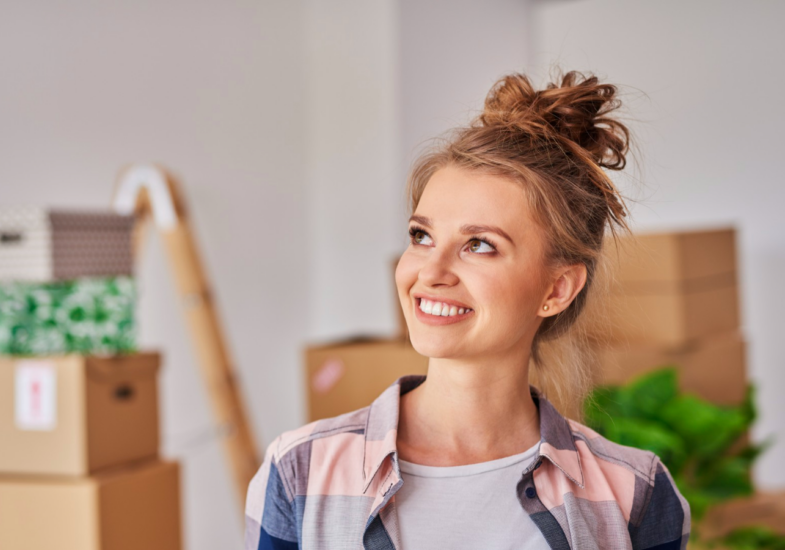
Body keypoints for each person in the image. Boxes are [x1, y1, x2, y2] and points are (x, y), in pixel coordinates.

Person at [243, 70, 691, 550]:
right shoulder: (299, 474)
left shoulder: (634, 495)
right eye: (421, 236)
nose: (430, 270)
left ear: (557, 288)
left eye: (478, 245)